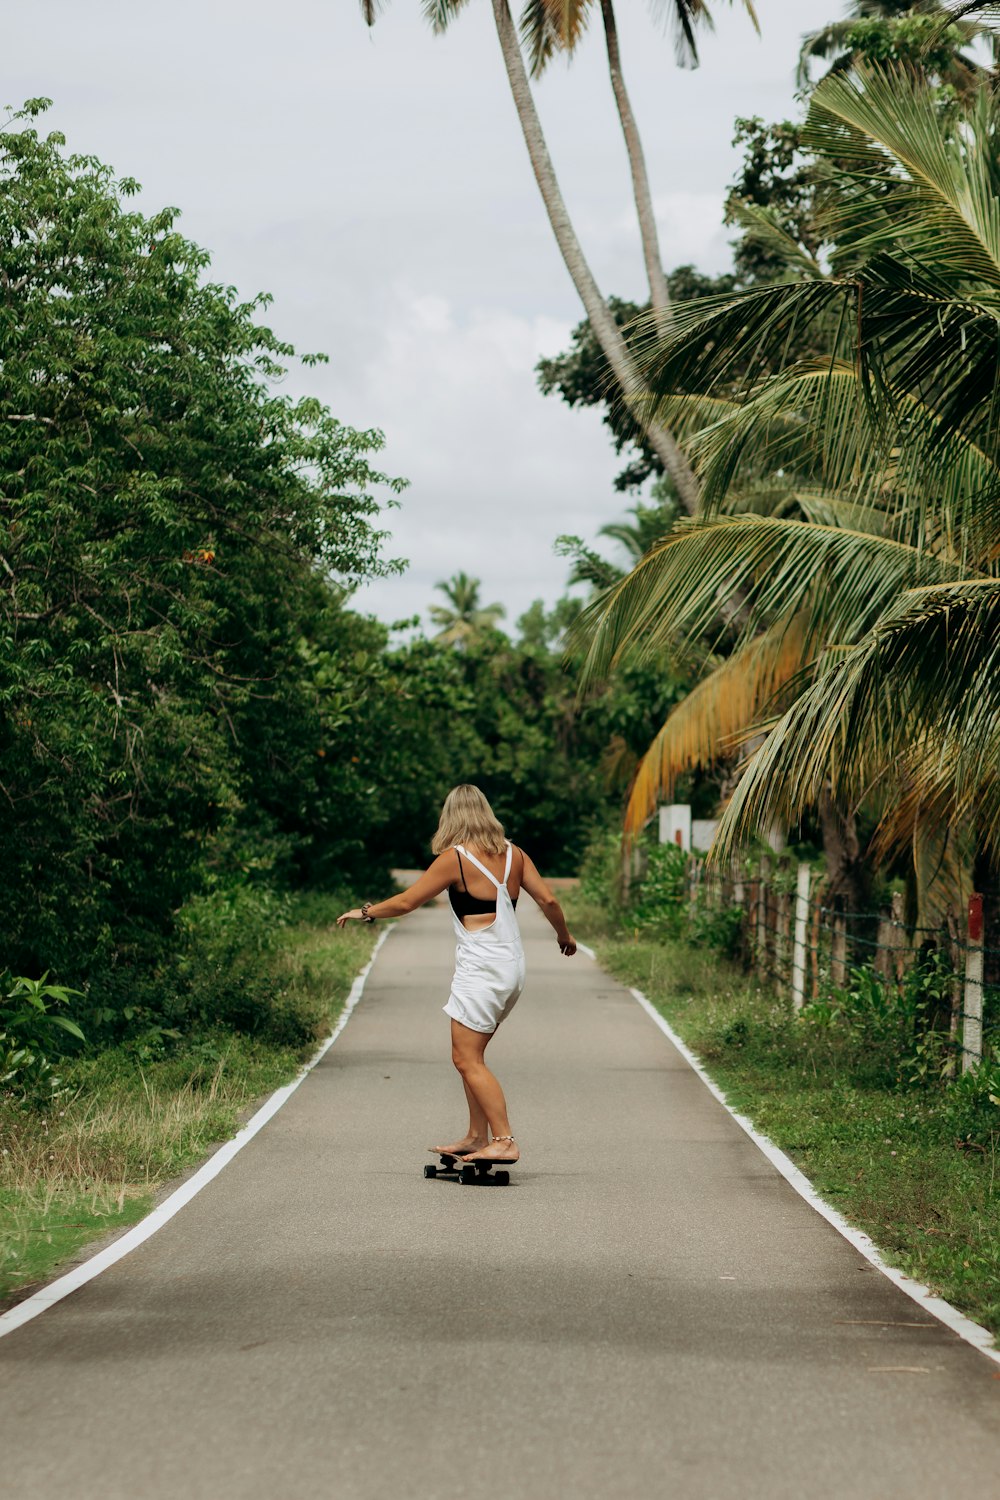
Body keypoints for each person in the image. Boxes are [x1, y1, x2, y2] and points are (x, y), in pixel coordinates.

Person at [337, 784, 576, 1164]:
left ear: (452, 816)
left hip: (481, 970)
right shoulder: (515, 854)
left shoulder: (456, 858)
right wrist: (564, 936)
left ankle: (504, 1139)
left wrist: (364, 911)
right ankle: (475, 1136)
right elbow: (548, 899)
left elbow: (407, 901)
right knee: (473, 1054)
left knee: (466, 1059)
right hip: (512, 968)